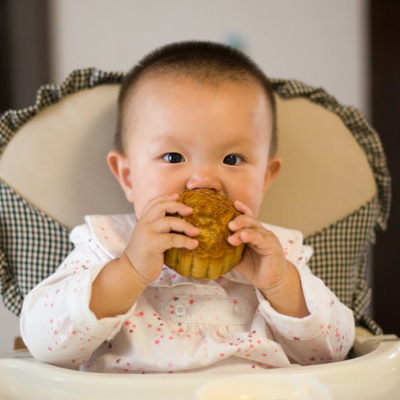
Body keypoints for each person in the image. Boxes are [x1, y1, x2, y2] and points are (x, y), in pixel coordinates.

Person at [20, 41, 355, 373]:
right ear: (128, 177)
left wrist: (281, 286)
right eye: (173, 157)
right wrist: (129, 271)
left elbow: (334, 353)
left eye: (232, 159)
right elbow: (43, 343)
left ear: (265, 178)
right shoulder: (106, 245)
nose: (204, 181)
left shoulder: (278, 254)